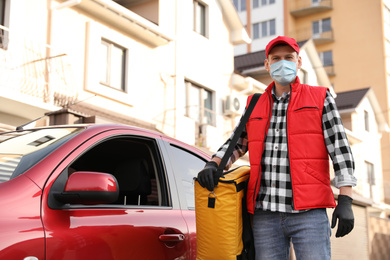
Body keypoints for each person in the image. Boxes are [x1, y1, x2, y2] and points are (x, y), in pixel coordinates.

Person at [197, 36, 357, 260]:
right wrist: (212, 164)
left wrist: (346, 199)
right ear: (267, 64)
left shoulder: (320, 98)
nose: (283, 63)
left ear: (299, 62)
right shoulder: (254, 103)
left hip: (308, 214)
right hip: (265, 215)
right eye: (276, 58)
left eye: (289, 58)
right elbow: (236, 143)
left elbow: (340, 150)